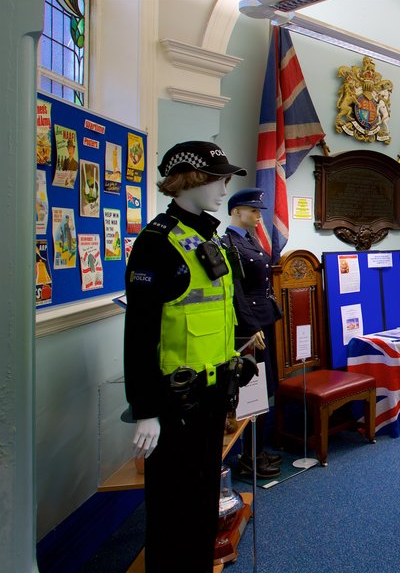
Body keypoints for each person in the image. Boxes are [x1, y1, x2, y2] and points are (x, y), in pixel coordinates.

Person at [124, 140, 251, 572]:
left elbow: (218, 312)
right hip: (175, 399)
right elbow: (139, 335)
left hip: (215, 393)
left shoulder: (210, 237)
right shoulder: (157, 243)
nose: (223, 188)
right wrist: (144, 409)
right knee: (170, 505)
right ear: (189, 180)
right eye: (218, 178)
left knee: (202, 500)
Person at [222, 188, 283, 479]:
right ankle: (248, 457)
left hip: (263, 321)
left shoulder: (251, 240)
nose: (259, 216)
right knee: (251, 389)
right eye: (254, 211)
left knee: (264, 385)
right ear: (236, 211)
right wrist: (251, 328)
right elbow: (235, 292)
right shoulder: (227, 243)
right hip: (249, 328)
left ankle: (256, 450)